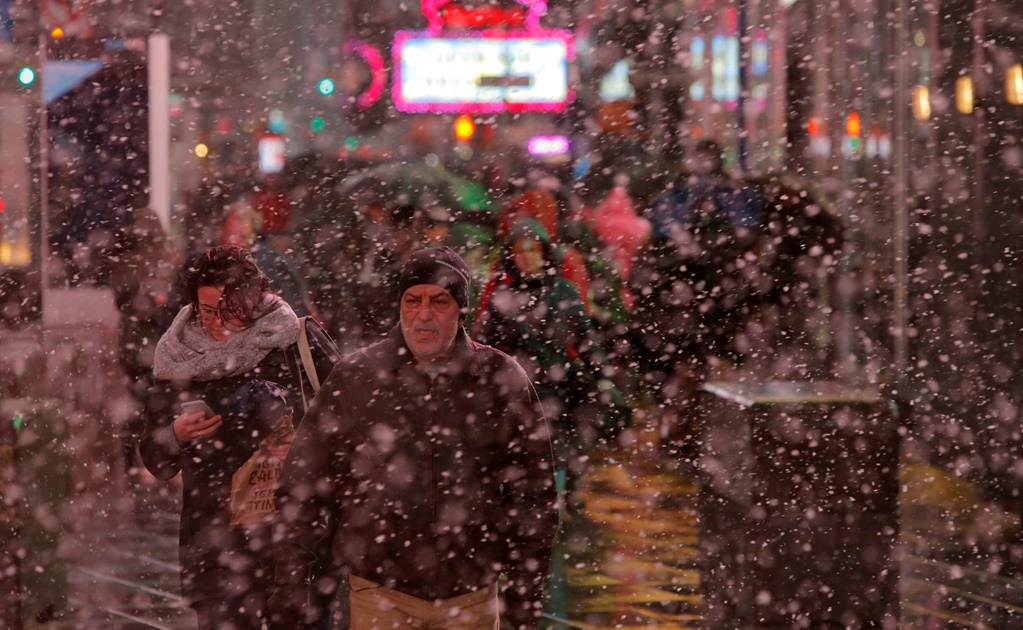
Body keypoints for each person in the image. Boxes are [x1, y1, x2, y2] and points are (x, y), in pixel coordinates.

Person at [268, 246, 558, 630]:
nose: (423, 314)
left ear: (461, 310)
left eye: (439, 301)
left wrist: (525, 596)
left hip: (470, 595)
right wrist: (289, 580)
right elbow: (304, 482)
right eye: (412, 300)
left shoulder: (498, 378)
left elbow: (534, 495)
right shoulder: (358, 376)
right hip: (379, 592)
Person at [139, 245, 339, 630]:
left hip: (293, 546)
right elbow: (155, 459)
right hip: (216, 551)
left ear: (255, 297)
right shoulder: (178, 355)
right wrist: (176, 434)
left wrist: (302, 438)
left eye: (229, 309)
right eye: (207, 310)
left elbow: (347, 425)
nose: (216, 321)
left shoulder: (295, 342)